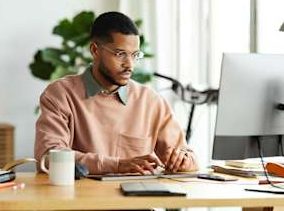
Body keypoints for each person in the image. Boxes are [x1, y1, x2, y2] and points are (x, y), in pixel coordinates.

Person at [34, 11, 199, 175]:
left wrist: (182, 161)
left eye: (135, 55)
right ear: (95, 50)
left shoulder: (151, 102)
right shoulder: (60, 95)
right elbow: (48, 158)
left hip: (138, 200)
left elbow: (190, 158)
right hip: (82, 200)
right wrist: (117, 165)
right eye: (120, 54)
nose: (130, 65)